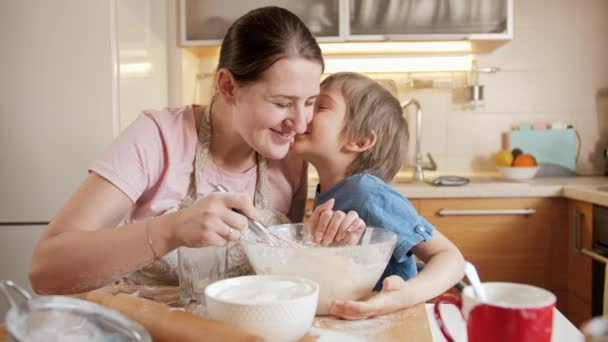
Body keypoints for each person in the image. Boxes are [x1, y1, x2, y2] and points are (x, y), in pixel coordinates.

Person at [28, 7, 364, 294]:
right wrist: (171, 230)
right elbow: (45, 269)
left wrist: (325, 254)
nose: (301, 123)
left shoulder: (287, 156)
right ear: (227, 86)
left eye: (310, 103)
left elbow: (276, 281)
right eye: (281, 103)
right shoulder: (156, 138)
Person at [291, 72, 465, 320]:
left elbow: (451, 258)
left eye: (320, 106)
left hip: (390, 326)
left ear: (360, 139)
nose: (305, 112)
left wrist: (405, 295)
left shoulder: (367, 193)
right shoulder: (328, 191)